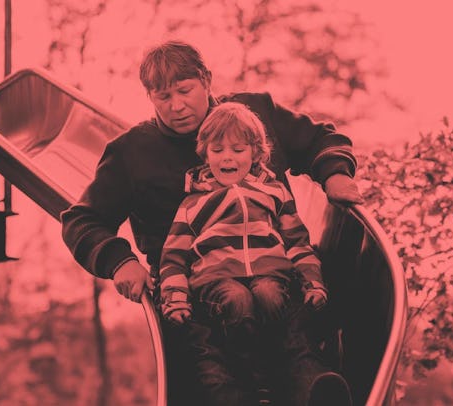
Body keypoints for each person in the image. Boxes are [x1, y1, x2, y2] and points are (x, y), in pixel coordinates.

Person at [61, 41, 361, 405]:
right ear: (150, 97)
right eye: (163, 96)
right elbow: (82, 219)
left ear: (206, 80)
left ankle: (317, 393)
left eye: (185, 91)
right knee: (214, 373)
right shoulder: (131, 152)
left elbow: (320, 139)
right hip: (194, 292)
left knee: (297, 345)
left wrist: (334, 174)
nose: (176, 106)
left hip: (275, 274)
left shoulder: (255, 114)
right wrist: (118, 260)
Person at [159, 101, 341, 403]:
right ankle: (253, 384)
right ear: (205, 153)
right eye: (217, 150)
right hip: (217, 283)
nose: (227, 157)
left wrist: (313, 281)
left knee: (270, 295)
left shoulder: (274, 192)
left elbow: (297, 241)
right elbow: (173, 256)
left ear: (256, 153)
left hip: (270, 275)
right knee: (237, 300)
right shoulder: (193, 204)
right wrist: (175, 298)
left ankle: (300, 385)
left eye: (237, 149)